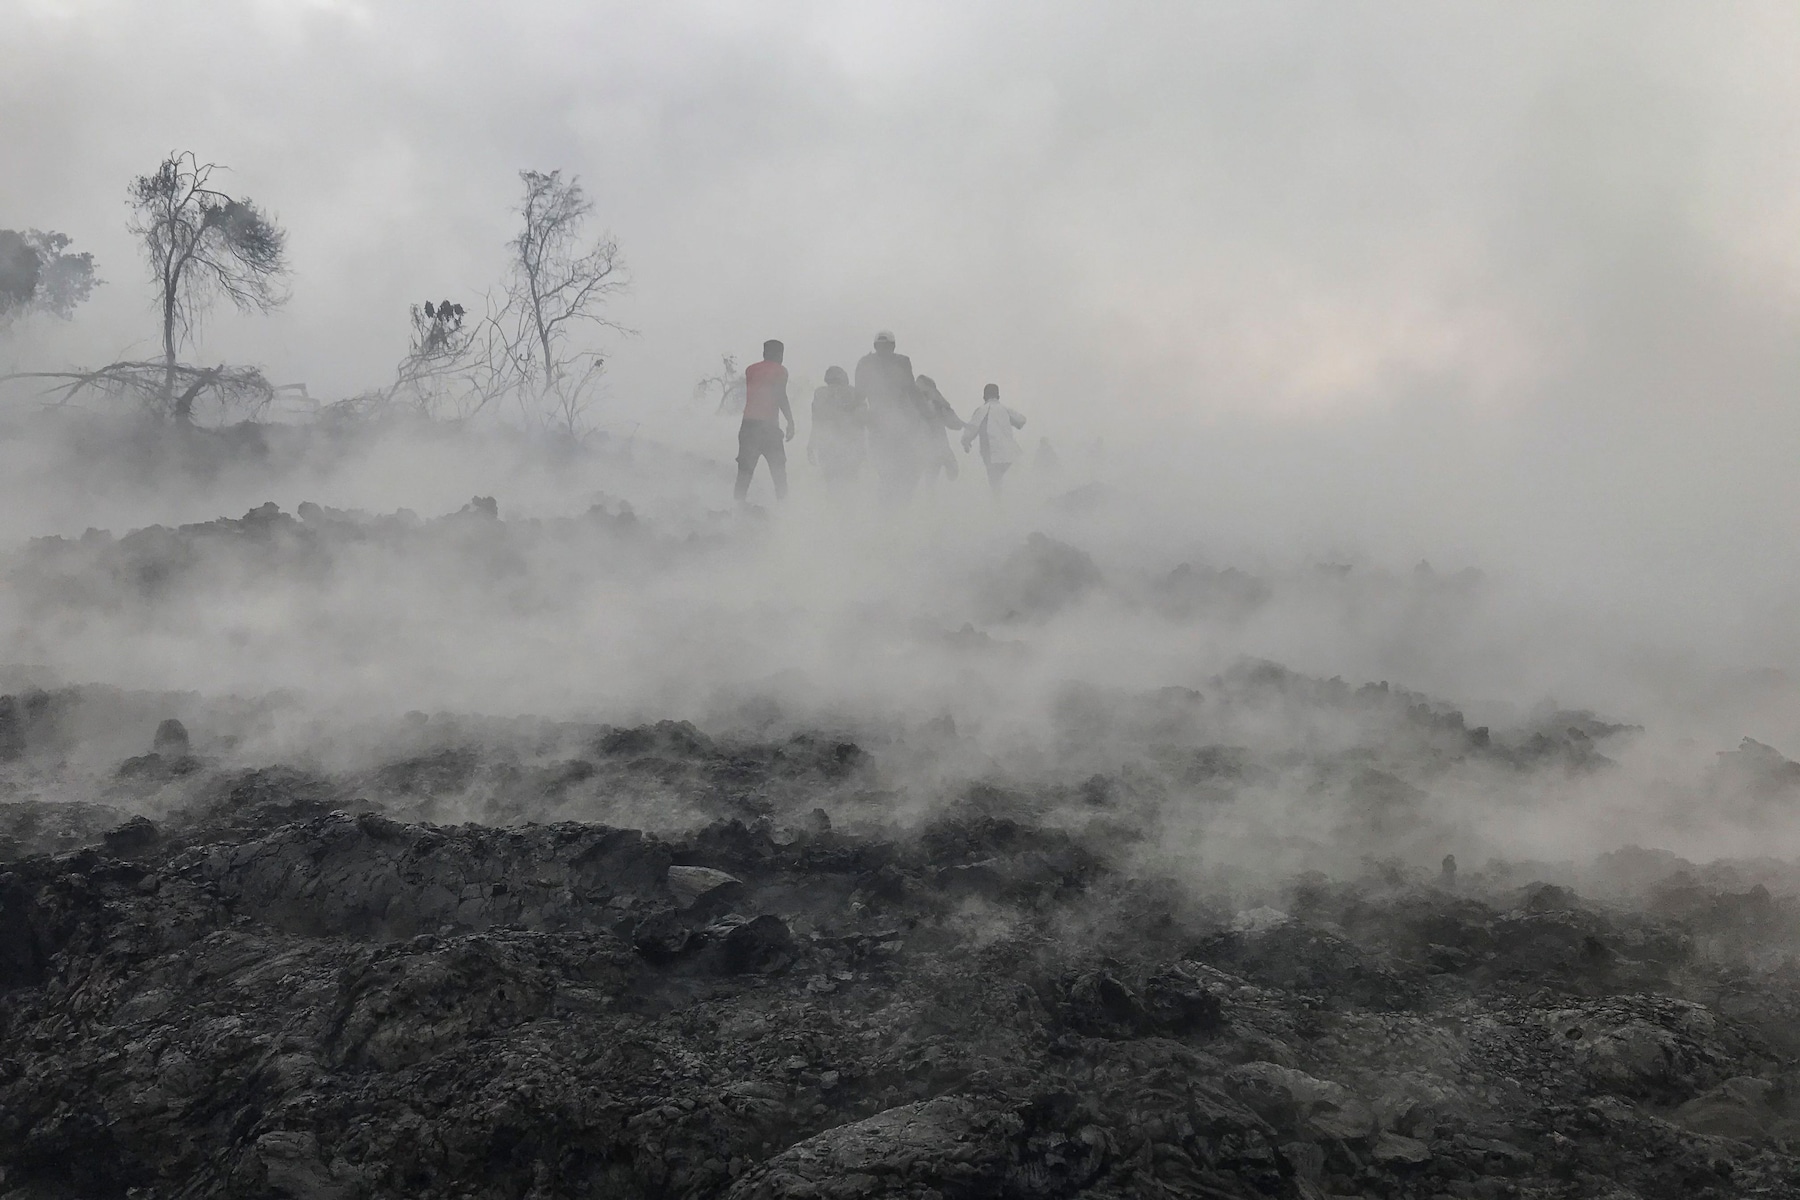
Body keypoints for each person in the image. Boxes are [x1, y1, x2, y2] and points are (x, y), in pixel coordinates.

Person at [854, 330, 927, 503]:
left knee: (899, 466)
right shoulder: (871, 363)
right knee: (889, 468)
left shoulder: (899, 362)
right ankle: (891, 504)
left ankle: (893, 504)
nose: (884, 350)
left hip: (897, 422)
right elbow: (859, 395)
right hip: (885, 422)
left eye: (886, 346)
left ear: (893, 346)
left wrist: (924, 411)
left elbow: (910, 389)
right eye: (881, 346)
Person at [735, 340, 795, 502]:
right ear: (779, 355)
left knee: (744, 473)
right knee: (779, 473)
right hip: (769, 427)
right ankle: (784, 512)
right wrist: (790, 421)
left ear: (764, 353)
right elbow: (780, 395)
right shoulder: (780, 371)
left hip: (748, 426)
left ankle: (737, 509)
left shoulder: (750, 370)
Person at [807, 365, 867, 492]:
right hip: (851, 442)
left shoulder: (820, 393)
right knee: (851, 481)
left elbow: (816, 420)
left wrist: (811, 445)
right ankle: (849, 509)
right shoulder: (854, 392)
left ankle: (833, 508)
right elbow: (862, 421)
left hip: (827, 443)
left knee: (831, 482)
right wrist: (863, 447)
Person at [961, 383, 1026, 492]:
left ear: (984, 397)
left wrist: (965, 442)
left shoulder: (982, 410)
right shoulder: (1005, 409)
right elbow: (1021, 421)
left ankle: (997, 506)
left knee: (995, 484)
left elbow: (972, 428)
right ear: (998, 397)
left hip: (992, 454)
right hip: (1011, 454)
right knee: (1007, 483)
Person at [915, 375, 965, 483]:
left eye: (920, 384)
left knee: (939, 475)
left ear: (929, 387)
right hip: (928, 447)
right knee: (931, 478)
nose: (917, 386)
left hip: (937, 446)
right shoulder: (917, 402)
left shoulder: (938, 402)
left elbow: (955, 424)